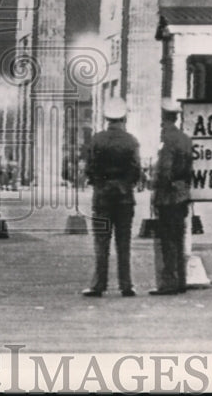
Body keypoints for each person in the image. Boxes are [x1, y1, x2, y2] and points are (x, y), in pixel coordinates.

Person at [81, 97, 142, 297]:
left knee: (101, 242)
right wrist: (126, 184)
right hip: (124, 198)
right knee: (124, 243)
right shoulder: (131, 141)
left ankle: (99, 284)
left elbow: (89, 168)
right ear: (123, 118)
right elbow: (136, 170)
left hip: (102, 197)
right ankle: (126, 285)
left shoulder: (97, 140)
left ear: (107, 118)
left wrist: (99, 183)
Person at [150, 98, 194, 295]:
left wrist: (157, 193)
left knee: (167, 240)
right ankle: (181, 280)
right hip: (182, 194)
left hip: (168, 197)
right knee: (179, 238)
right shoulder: (185, 138)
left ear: (163, 119)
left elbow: (165, 169)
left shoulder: (167, 139)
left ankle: (169, 283)